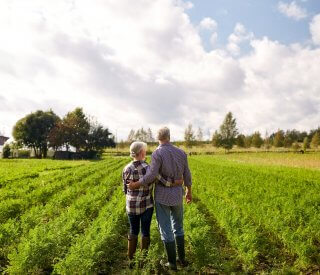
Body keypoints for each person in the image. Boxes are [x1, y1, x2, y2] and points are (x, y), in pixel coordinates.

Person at [128, 127, 192, 271]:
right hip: (177, 195)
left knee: (165, 229)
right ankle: (181, 259)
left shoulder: (157, 153)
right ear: (169, 137)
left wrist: (135, 185)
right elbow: (187, 174)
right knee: (179, 227)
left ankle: (172, 263)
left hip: (162, 196)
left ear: (158, 138)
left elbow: (151, 176)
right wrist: (189, 191)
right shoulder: (181, 153)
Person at [122, 141, 183, 267]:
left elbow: (125, 189)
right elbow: (161, 180)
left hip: (131, 205)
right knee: (145, 232)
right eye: (145, 150)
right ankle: (142, 261)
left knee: (133, 230)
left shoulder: (126, 168)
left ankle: (131, 260)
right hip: (146, 205)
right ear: (142, 152)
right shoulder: (148, 168)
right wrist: (175, 182)